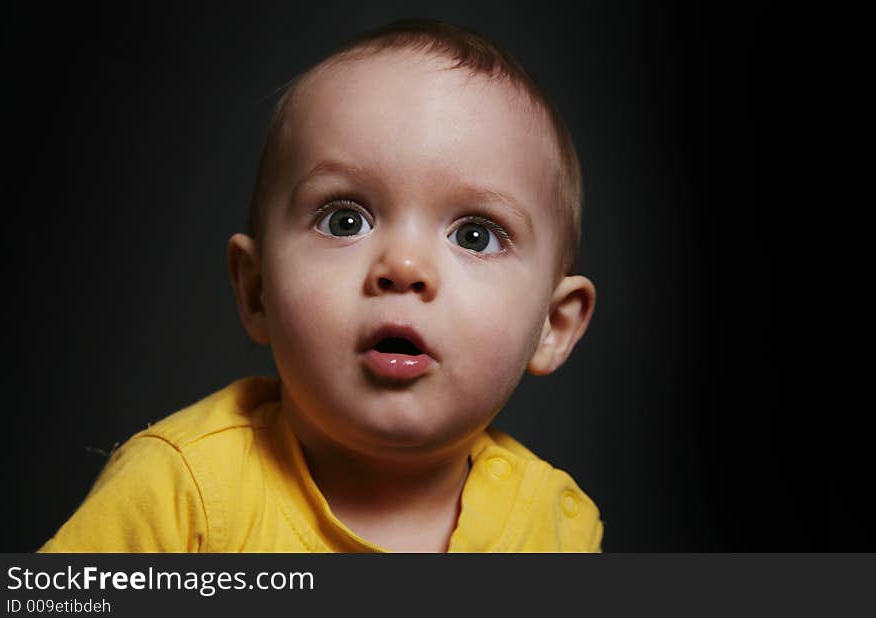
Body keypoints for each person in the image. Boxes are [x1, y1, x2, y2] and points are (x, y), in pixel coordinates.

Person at [39, 18, 603, 553]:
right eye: (345, 221)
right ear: (256, 290)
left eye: (476, 235)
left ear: (552, 326)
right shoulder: (181, 493)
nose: (403, 266)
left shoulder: (553, 525)